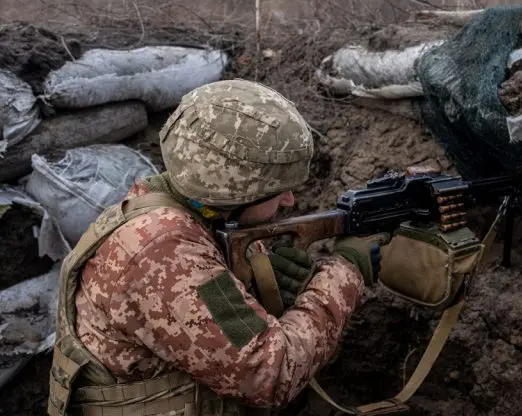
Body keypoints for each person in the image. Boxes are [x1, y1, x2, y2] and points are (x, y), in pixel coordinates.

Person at [47, 79, 390, 416]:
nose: (290, 199)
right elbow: (270, 376)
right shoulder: (163, 249)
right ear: (232, 194)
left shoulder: (171, 210)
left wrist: (255, 285)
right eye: (277, 192)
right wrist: (346, 270)